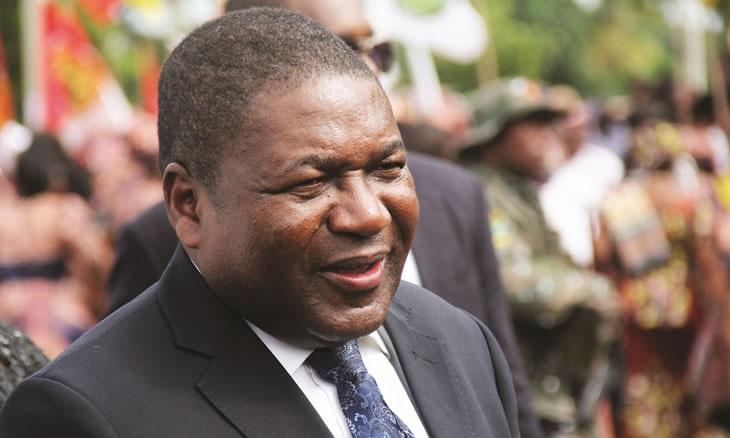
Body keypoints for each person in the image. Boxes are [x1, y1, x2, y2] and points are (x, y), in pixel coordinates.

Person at [0, 9, 519, 436]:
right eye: (311, 183)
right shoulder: (85, 414)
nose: (367, 214)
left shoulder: (459, 341)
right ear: (189, 204)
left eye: (387, 169)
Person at [460, 78, 621, 435]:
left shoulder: (518, 191)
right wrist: (589, 290)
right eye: (532, 124)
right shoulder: (480, 192)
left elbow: (558, 259)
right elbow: (511, 279)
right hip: (525, 384)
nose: (547, 134)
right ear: (495, 133)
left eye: (549, 124)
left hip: (555, 381)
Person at [0, 134, 111, 358]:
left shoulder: (5, 216)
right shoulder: (66, 209)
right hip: (61, 319)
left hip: (8, 319)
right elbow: (98, 263)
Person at [540, 85, 624, 267]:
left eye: (578, 114)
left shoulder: (606, 162)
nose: (576, 123)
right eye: (566, 117)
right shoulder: (539, 168)